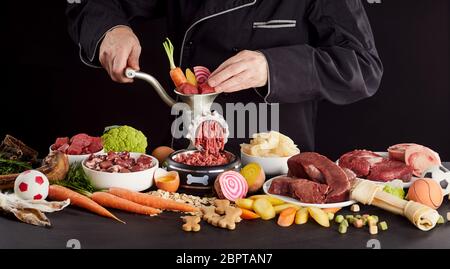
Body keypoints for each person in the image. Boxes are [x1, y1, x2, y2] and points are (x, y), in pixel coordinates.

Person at [67, 0, 383, 153]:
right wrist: (111, 29)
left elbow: (363, 66)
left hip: (276, 167)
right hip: (187, 154)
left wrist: (272, 67)